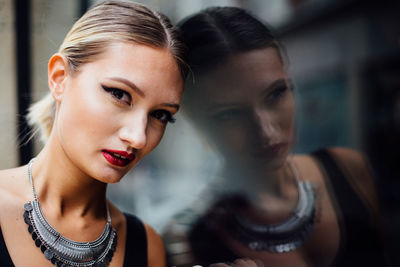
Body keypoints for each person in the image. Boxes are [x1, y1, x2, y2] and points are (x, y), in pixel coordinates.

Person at [163, 6, 388, 267]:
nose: (266, 131)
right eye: (230, 114)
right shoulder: (189, 242)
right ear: (196, 122)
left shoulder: (349, 169)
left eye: (275, 94)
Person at [0, 1, 187, 266]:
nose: (138, 138)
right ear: (60, 78)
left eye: (160, 115)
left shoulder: (146, 247)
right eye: (120, 94)